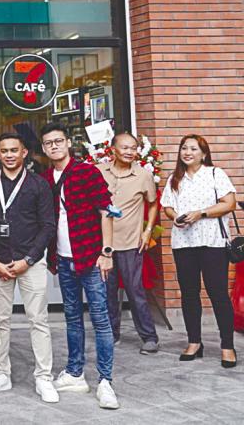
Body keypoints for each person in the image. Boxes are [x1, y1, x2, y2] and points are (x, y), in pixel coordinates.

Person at [39, 123, 118, 410]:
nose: (54, 146)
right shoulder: (46, 177)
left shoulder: (87, 172)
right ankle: (75, 373)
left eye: (58, 141)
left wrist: (106, 251)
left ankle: (105, 381)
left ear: (68, 142)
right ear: (44, 148)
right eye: (48, 143)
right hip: (63, 257)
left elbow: (106, 211)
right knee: (72, 317)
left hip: (91, 256)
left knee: (100, 318)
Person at [0, 133, 58, 403]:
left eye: (14, 150)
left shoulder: (39, 185)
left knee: (39, 320)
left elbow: (48, 225)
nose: (9, 155)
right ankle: (1, 373)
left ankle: (44, 377)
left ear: (24, 153)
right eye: (4, 151)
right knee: (0, 321)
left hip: (30, 262)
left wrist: (29, 259)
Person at [161, 134, 238, 368]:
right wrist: (176, 218)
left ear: (203, 154)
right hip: (184, 243)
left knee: (218, 294)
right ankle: (194, 342)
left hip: (212, 242)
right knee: (190, 293)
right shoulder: (175, 178)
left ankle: (227, 346)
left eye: (193, 149)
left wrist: (201, 213)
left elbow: (229, 203)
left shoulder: (215, 173)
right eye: (184, 148)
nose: (187, 152)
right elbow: (167, 207)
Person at [97, 132, 160, 353]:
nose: (129, 152)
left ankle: (149, 337)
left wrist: (147, 231)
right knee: (107, 292)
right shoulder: (98, 171)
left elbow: (152, 204)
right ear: (113, 149)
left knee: (136, 291)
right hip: (103, 245)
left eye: (133, 148)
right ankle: (111, 335)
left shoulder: (143, 175)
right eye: (124, 147)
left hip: (132, 243)